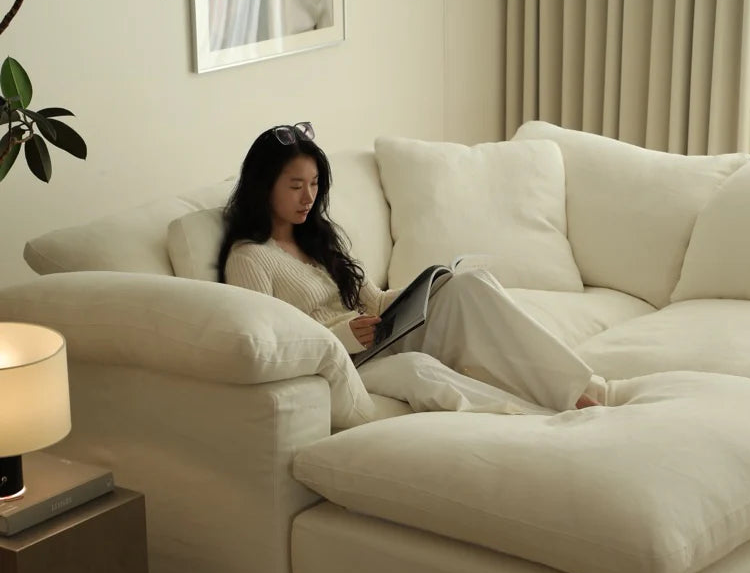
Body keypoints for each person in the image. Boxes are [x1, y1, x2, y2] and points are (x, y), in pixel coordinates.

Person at [218, 123, 610, 415]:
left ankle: (579, 390)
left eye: (316, 184)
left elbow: (373, 300)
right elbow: (272, 347)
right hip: (344, 366)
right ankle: (538, 417)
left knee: (468, 287)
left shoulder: (317, 238)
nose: (309, 197)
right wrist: (344, 335)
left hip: (379, 338)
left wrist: (425, 290)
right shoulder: (249, 259)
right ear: (264, 186)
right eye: (295, 186)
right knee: (417, 368)